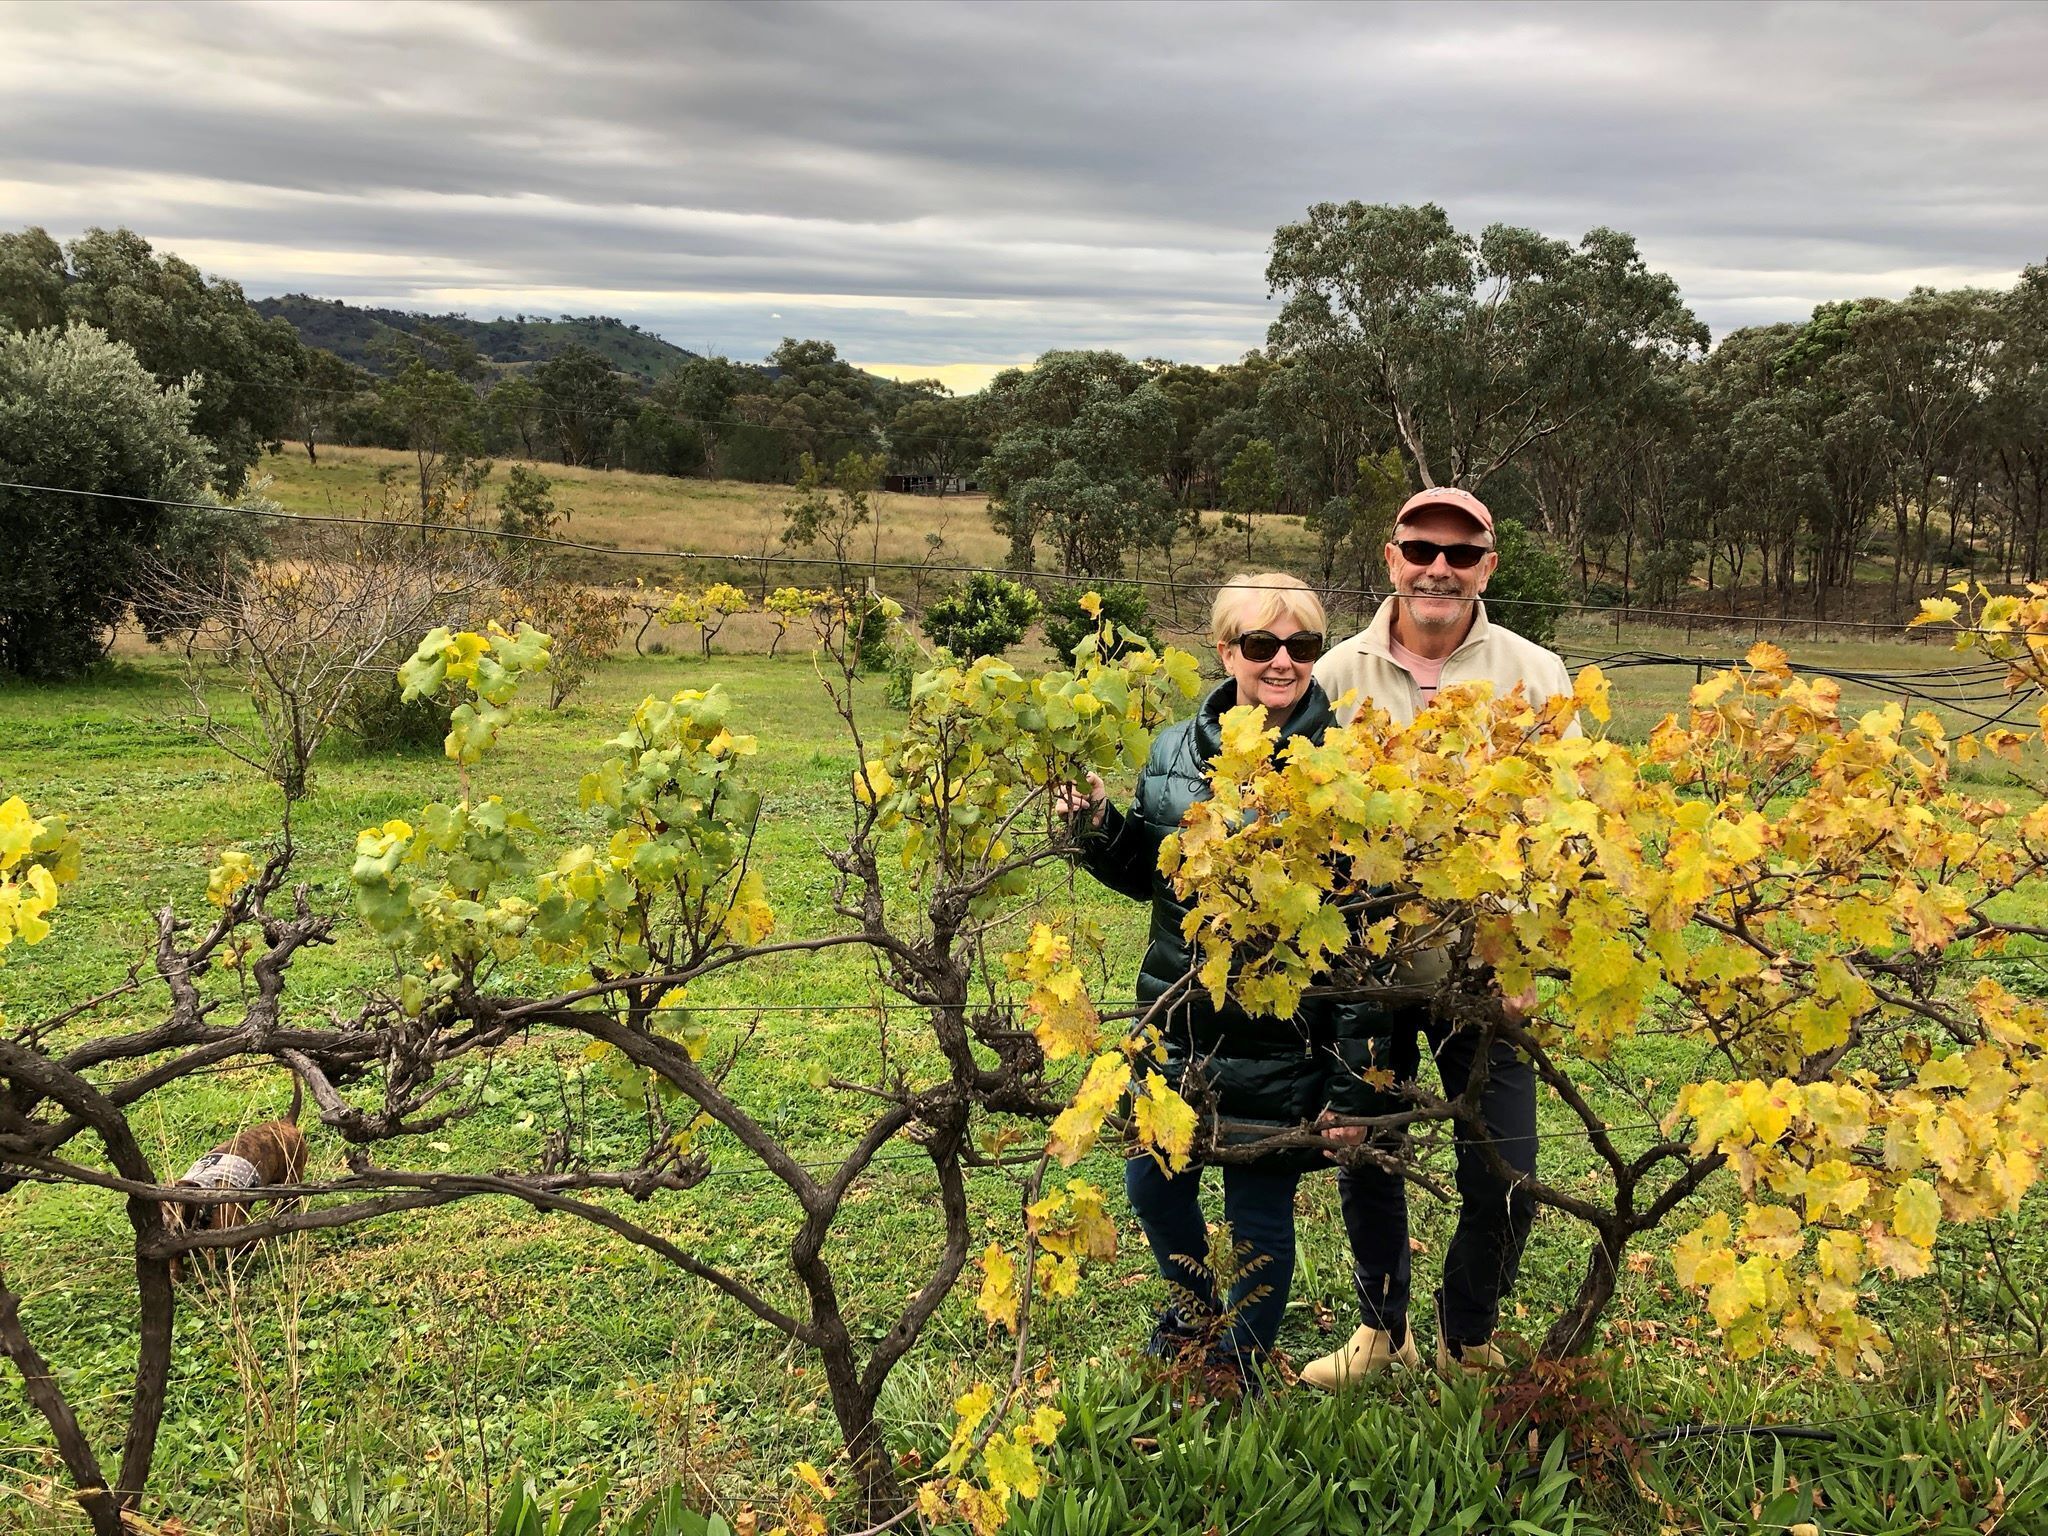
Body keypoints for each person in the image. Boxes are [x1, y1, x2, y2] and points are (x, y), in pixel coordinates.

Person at [1300, 485, 1572, 1388]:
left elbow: (1560, 825)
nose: (1439, 568)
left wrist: (1529, 954)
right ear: (1392, 558)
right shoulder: (1333, 675)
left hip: (1486, 972)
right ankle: (1383, 1332)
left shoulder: (1537, 674)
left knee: (1505, 1165)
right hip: (1367, 969)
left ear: (1490, 565)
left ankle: (1468, 1334)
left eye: (1462, 553)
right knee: (1367, 1155)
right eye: (1422, 548)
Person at [1058, 573, 1353, 1383]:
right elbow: (1155, 877)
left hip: (1284, 1037)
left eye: (1302, 646)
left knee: (1259, 1213)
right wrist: (1096, 829)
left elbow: (1359, 934)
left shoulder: (1345, 765)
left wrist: (1353, 1083)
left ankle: (1241, 1362)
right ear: (1227, 652)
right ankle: (1195, 1311)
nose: (1283, 661)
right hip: (1178, 1019)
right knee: (1152, 1185)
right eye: (1262, 645)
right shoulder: (1172, 752)